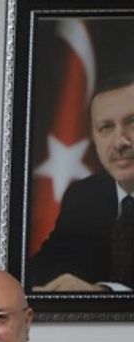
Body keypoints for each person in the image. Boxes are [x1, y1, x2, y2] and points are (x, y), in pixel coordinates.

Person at [30, 73, 134, 292]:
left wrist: (105, 295)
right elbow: (43, 269)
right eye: (106, 127)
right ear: (93, 137)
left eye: (132, 122)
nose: (120, 142)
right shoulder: (84, 197)